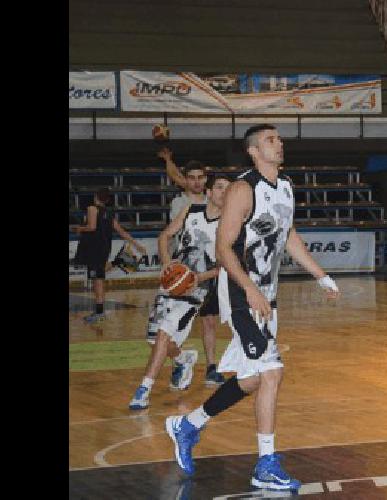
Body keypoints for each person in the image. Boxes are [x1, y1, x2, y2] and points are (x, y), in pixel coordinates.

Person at [164, 124, 340, 491]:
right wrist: (249, 290)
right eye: (271, 140)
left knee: (253, 378)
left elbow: (288, 236)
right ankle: (265, 464)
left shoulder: (287, 187)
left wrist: (321, 276)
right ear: (253, 151)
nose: (280, 143)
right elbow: (223, 248)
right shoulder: (244, 189)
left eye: (279, 139)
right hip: (242, 294)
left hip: (266, 295)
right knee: (273, 372)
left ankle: (189, 424)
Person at [129, 176, 230, 410]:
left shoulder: (230, 225)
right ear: (209, 191)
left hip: (196, 291)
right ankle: (183, 358)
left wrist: (197, 278)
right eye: (219, 187)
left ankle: (143, 390)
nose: (224, 192)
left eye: (228, 189)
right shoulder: (190, 211)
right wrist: (167, 264)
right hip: (172, 282)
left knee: (164, 334)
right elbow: (164, 236)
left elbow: (224, 266)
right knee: (154, 340)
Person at [72, 188, 146, 323]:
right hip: (103, 249)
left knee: (97, 280)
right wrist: (136, 244)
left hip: (93, 248)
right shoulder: (109, 213)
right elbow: (121, 231)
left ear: (95, 197)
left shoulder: (92, 208)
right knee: (98, 276)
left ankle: (99, 312)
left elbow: (92, 227)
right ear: (107, 200)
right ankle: (119, 262)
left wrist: (78, 228)